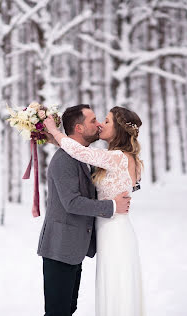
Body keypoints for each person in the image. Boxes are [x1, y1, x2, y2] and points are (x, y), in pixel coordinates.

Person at [44, 106, 144, 316]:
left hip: (115, 233)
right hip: (99, 234)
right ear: (79, 128)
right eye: (97, 120)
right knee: (109, 291)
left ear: (119, 130)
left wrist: (54, 131)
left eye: (106, 121)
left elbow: (79, 151)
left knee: (117, 292)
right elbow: (73, 195)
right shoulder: (106, 157)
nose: (100, 124)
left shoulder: (116, 157)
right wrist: (54, 137)